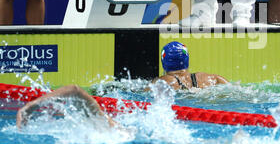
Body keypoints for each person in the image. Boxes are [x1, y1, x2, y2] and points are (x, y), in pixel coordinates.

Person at [16, 41, 229, 128]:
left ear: (164, 61)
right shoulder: (210, 78)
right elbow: (235, 90)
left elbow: (145, 97)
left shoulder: (161, 82)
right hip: (204, 103)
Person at [153, 41, 229, 89]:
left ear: (164, 62)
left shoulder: (161, 82)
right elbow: (232, 88)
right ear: (186, 59)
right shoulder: (212, 78)